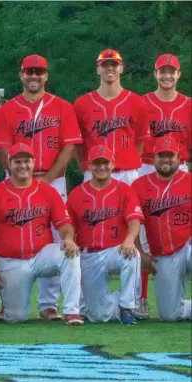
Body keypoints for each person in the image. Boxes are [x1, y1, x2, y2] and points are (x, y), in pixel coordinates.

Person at [0, 54, 83, 321]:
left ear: (46, 76)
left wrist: (48, 178)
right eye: (29, 71)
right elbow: (3, 149)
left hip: (53, 179)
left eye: (39, 72)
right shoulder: (7, 110)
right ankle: (7, 303)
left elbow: (69, 146)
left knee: (56, 239)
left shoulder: (62, 107)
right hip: (18, 177)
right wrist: (22, 179)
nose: (34, 76)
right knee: (12, 229)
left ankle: (49, 305)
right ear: (21, 75)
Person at [0, 143, 83, 325]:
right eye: (17, 161)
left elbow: (64, 224)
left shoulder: (47, 191)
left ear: (33, 163)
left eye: (27, 161)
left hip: (42, 255)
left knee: (70, 253)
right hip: (12, 260)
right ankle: (7, 303)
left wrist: (68, 238)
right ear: (9, 164)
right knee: (16, 318)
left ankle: (71, 312)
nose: (22, 166)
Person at [136, 54, 191, 320]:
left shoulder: (188, 104)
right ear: (154, 73)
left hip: (178, 166)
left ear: (179, 75)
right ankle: (143, 298)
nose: (167, 76)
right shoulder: (142, 103)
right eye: (162, 71)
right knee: (147, 236)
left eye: (172, 71)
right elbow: (134, 137)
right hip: (147, 165)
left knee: (181, 228)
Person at [67, 145, 144, 325]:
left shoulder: (124, 190)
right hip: (89, 254)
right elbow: (69, 225)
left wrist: (129, 240)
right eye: (97, 163)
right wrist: (69, 239)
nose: (101, 167)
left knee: (132, 256)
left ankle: (127, 307)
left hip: (116, 250)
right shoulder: (77, 193)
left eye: (105, 162)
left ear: (112, 164)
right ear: (89, 166)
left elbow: (134, 221)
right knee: (100, 317)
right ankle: (112, 302)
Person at [133, 137, 191, 321]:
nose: (166, 159)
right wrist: (141, 253)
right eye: (161, 155)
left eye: (170, 155)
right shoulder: (139, 185)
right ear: (153, 157)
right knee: (169, 315)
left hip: (188, 246)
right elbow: (132, 224)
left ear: (179, 157)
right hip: (164, 255)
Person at [73, 49, 150, 185]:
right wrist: (86, 165)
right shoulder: (81, 104)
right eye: (104, 65)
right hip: (94, 171)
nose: (109, 68)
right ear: (98, 69)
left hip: (127, 173)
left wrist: (127, 160)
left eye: (114, 65)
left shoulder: (137, 102)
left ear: (121, 68)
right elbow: (78, 144)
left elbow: (139, 141)